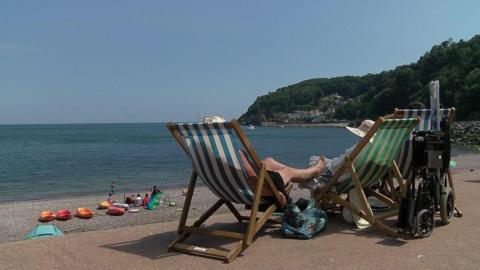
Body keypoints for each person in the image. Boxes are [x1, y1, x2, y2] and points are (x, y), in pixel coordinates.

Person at [302, 119, 375, 190]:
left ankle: (314, 195)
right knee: (315, 158)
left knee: (314, 162)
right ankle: (313, 194)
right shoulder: (374, 148)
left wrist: (327, 166)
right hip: (363, 178)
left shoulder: (360, 148)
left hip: (345, 176)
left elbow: (336, 167)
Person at [239, 150, 327, 207]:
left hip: (239, 190)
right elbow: (253, 180)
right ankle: (315, 170)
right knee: (287, 171)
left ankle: (303, 175)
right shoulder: (236, 153)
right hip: (260, 191)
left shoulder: (227, 153)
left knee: (268, 161)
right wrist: (273, 191)